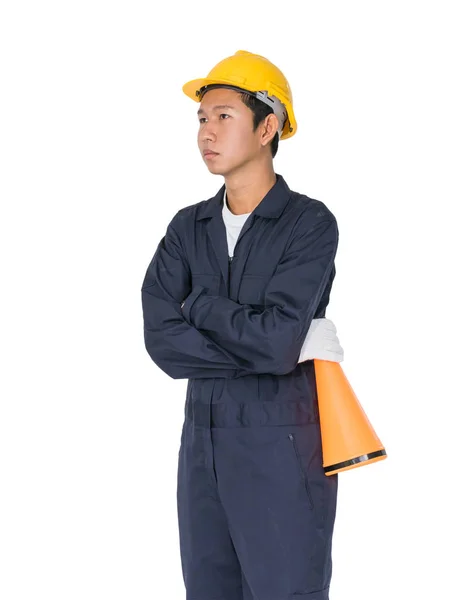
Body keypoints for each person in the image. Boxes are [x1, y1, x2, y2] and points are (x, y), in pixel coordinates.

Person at [141, 50, 343, 600]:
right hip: (201, 451)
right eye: (202, 119)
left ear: (267, 127)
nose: (206, 132)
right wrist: (271, 345)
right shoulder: (189, 227)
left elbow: (277, 343)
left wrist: (200, 307)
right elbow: (161, 339)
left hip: (283, 451)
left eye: (224, 116)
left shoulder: (309, 224)